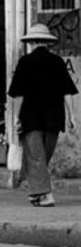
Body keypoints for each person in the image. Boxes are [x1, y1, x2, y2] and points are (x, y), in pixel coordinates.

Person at [8, 23, 78, 207]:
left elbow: (18, 94)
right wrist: (72, 116)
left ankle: (44, 194)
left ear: (31, 42)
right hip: (54, 117)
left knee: (35, 156)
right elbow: (67, 92)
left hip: (31, 118)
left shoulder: (25, 62)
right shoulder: (58, 62)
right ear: (48, 43)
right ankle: (36, 193)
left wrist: (15, 117)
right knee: (43, 156)